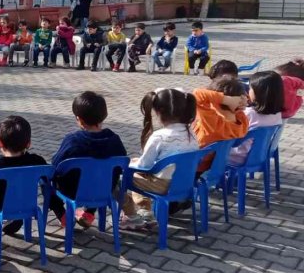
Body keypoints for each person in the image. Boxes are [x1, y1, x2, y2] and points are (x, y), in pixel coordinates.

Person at [120, 89, 198, 230]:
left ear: (158, 112)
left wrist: (132, 163)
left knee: (128, 176)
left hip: (163, 185)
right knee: (140, 173)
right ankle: (145, 212)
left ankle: (134, 216)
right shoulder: (191, 133)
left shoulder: (159, 136)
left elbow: (145, 165)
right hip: (185, 183)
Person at [49, 92, 127, 228]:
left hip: (72, 191)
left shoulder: (72, 141)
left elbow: (55, 166)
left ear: (79, 119)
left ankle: (63, 215)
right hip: (104, 189)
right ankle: (89, 212)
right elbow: (120, 165)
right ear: (104, 116)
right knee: (97, 177)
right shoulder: (114, 140)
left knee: (47, 183)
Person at [0, 115, 48, 237]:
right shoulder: (36, 161)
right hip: (24, 202)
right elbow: (50, 174)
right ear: (28, 143)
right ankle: (16, 215)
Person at [192, 77, 249, 172]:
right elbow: (238, 111)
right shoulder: (241, 123)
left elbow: (197, 93)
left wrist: (225, 99)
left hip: (195, 167)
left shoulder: (212, 122)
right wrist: (239, 103)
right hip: (213, 169)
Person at [228, 71, 284, 165]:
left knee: (213, 152)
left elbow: (231, 137)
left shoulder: (248, 114)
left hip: (237, 157)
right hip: (260, 156)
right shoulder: (278, 114)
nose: (248, 91)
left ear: (259, 92)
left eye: (250, 88)